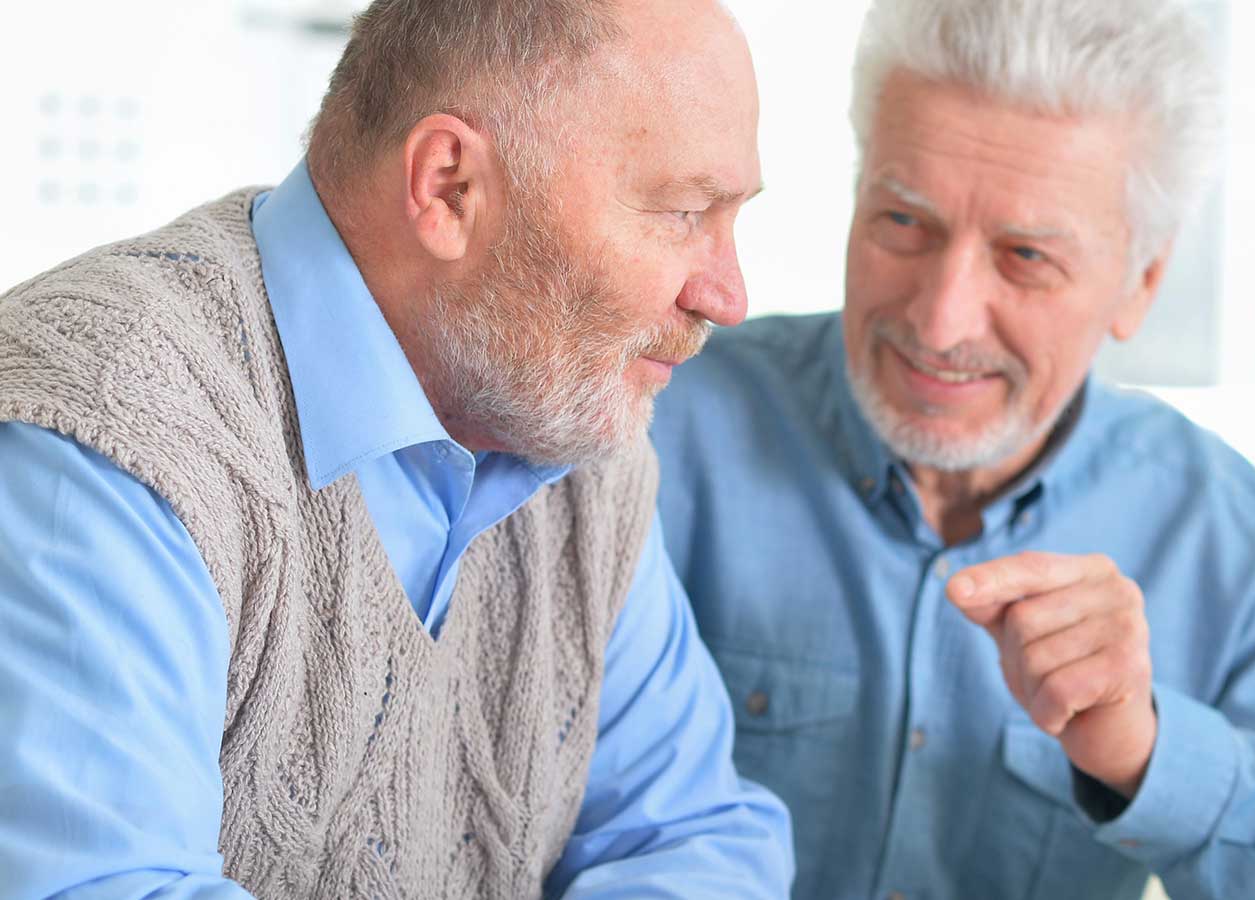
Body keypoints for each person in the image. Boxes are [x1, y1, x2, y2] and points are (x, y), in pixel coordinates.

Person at [649, 0, 1255, 897]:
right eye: (903, 223)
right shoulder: (658, 426)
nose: (940, 318)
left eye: (1026, 256)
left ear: (1139, 285)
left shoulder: (1217, 531)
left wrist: (1148, 750)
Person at [0, 1, 791, 897]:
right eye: (683, 212)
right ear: (450, 186)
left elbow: (696, 836)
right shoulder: (106, 426)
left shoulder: (576, 429)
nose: (727, 296)